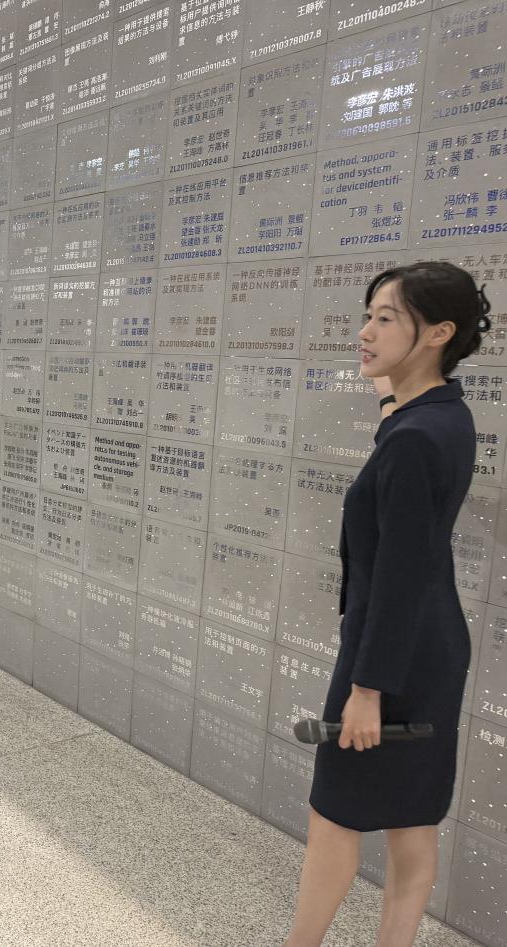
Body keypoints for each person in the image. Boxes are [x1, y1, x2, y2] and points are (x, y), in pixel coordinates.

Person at [285, 262, 490, 947]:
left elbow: (398, 577)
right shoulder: (441, 414)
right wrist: (387, 391)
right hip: (429, 647)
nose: (365, 332)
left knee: (333, 815)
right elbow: (399, 435)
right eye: (367, 315)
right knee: (412, 817)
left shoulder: (413, 440)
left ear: (437, 332)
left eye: (385, 318)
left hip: (388, 654)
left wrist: (367, 690)